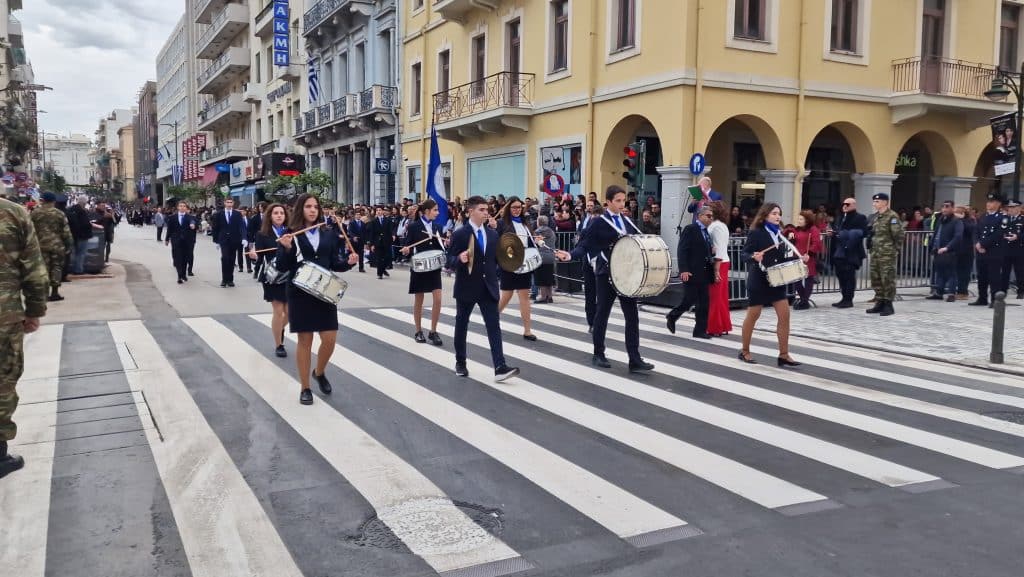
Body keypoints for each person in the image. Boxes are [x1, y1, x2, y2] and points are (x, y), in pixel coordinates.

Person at [558, 185, 655, 373]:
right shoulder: (599, 222)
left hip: (626, 276)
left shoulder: (628, 222)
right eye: (617, 201)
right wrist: (570, 255)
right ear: (608, 202)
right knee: (602, 312)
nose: (621, 204)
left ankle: (634, 358)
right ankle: (598, 353)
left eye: (623, 200)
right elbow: (584, 245)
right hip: (606, 274)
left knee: (632, 316)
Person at [276, 194, 358, 405]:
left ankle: (319, 371)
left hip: (324, 293)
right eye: (308, 206)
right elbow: (282, 267)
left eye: (315, 207)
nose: (312, 210)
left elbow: (334, 263)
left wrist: (349, 262)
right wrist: (285, 248)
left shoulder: (328, 233)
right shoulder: (290, 234)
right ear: (300, 209)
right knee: (305, 341)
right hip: (299, 293)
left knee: (329, 339)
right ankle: (305, 387)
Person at [0, 197, 49, 479]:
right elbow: (33, 269)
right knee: (3, 379)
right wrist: (34, 310)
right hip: (4, 315)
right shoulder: (14, 213)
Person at [446, 196, 520, 381]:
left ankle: (500, 366)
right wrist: (459, 259)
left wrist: (509, 262)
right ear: (470, 211)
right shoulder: (460, 234)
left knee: (494, 326)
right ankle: (461, 362)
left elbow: (496, 260)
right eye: (481, 209)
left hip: (489, 287)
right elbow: (449, 261)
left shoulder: (493, 234)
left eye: (487, 209)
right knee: (462, 324)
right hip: (467, 286)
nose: (486, 213)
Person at [737, 203, 807, 366]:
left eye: (779, 214)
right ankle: (744, 351)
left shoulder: (780, 234)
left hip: (776, 280)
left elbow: (781, 259)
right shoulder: (756, 233)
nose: (778, 216)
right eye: (774, 213)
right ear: (765, 215)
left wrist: (799, 259)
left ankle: (783, 355)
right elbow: (744, 254)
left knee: (785, 316)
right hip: (759, 279)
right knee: (753, 315)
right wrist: (754, 257)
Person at [247, 203, 290, 357]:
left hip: (289, 275)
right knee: (279, 312)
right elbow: (259, 256)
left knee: (289, 313)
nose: (279, 215)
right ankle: (279, 344)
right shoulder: (262, 234)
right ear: (269, 216)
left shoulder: (291, 232)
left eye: (282, 213)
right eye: (275, 213)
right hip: (272, 276)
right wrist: (254, 257)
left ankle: (279, 328)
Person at [666, 205, 715, 338]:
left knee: (704, 302)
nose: (711, 219)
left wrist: (711, 250)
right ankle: (672, 316)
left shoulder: (706, 232)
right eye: (708, 216)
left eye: (712, 216)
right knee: (689, 299)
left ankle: (700, 330)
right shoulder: (691, 229)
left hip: (704, 271)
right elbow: (683, 250)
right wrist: (684, 269)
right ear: (700, 216)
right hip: (692, 271)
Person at [401, 199, 445, 346]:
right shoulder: (414, 227)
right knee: (419, 299)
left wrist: (446, 244)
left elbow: (441, 247)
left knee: (438, 299)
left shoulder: (438, 227)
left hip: (434, 267)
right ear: (426, 211)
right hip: (419, 267)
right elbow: (407, 245)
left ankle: (433, 331)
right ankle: (418, 331)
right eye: (435, 210)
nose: (437, 213)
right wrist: (406, 250)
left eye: (437, 210)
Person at [494, 196, 538, 341]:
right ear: (508, 208)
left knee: (524, 296)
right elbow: (496, 241)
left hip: (524, 262)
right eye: (514, 207)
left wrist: (537, 240)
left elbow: (530, 241)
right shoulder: (501, 223)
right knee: (506, 295)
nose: (517, 210)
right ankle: (493, 319)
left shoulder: (526, 223)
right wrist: (492, 227)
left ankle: (527, 330)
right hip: (509, 262)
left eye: (519, 207)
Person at [30, 192, 72, 302]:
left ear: (42, 200)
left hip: (40, 245)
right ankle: (55, 292)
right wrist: (68, 245)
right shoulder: (59, 214)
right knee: (56, 267)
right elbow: (66, 232)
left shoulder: (35, 213)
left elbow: (29, 230)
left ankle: (44, 293)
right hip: (57, 245)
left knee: (43, 269)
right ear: (54, 201)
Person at [865, 193, 904, 316]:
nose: (874, 204)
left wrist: (894, 250)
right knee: (876, 278)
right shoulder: (877, 217)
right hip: (876, 252)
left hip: (887, 253)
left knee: (887, 278)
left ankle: (888, 304)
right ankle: (880, 301)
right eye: (874, 201)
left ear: (885, 202)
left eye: (877, 202)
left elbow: (898, 235)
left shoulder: (892, 216)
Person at [970, 193, 1010, 307]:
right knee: (981, 276)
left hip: (994, 252)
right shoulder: (983, 217)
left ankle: (995, 300)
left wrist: (982, 244)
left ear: (998, 204)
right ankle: (982, 298)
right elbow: (976, 231)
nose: (988, 204)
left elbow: (998, 234)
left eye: (992, 202)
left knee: (994, 277)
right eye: (988, 202)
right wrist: (976, 243)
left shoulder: (1003, 218)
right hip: (980, 252)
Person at [829, 198, 868, 308]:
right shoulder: (841, 217)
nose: (844, 206)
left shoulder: (860, 217)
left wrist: (846, 234)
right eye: (843, 204)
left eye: (847, 204)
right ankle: (844, 297)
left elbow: (864, 232)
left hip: (852, 251)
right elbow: (838, 231)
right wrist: (834, 233)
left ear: (854, 205)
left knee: (849, 275)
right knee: (840, 275)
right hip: (839, 250)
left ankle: (848, 299)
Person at [784, 210, 823, 310]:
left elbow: (816, 242)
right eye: (799, 218)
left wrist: (809, 253)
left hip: (807, 256)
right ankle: (803, 300)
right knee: (797, 279)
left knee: (808, 278)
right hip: (797, 256)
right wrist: (790, 233)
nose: (798, 220)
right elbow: (787, 230)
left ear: (807, 220)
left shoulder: (813, 229)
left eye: (801, 219)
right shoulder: (797, 229)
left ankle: (804, 301)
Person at [926, 200, 964, 302]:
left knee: (951, 273)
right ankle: (939, 292)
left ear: (952, 208)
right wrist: (932, 246)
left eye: (947, 207)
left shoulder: (957, 221)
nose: (944, 209)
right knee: (940, 273)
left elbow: (958, 236)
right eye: (943, 206)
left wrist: (947, 247)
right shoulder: (941, 219)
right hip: (938, 250)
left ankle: (951, 293)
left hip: (950, 251)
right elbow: (936, 234)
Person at [705, 201, 733, 336]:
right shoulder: (721, 225)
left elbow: (719, 248)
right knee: (720, 296)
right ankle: (722, 325)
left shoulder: (715, 226)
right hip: (723, 261)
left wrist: (716, 270)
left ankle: (715, 327)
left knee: (715, 296)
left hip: (719, 262)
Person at [212, 198, 247, 288]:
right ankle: (224, 279)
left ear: (233, 203)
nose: (229, 204)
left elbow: (242, 226)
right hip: (223, 240)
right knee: (225, 258)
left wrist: (244, 238)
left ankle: (230, 279)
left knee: (231, 259)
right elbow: (215, 228)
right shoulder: (219, 214)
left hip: (234, 239)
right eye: (227, 202)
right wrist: (216, 241)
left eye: (231, 202)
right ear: (224, 203)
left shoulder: (237, 214)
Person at [164, 201, 198, 284]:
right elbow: (169, 229)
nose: (182, 207)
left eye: (184, 206)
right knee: (178, 258)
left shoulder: (190, 217)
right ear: (178, 207)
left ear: (186, 208)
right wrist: (167, 239)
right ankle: (179, 275)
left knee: (185, 258)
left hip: (187, 241)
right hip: (176, 241)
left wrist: (193, 225)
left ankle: (183, 274)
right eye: (180, 206)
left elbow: (194, 223)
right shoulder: (172, 217)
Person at [533, 215, 557, 303]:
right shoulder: (551, 231)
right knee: (549, 277)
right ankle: (549, 296)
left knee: (541, 277)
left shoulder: (537, 232)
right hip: (551, 256)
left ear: (538, 222)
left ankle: (543, 296)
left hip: (541, 256)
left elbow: (536, 243)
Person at [1001, 199, 1023, 299]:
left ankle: (1021, 291)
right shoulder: (1005, 218)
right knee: (1005, 271)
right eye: (1009, 207)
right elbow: (1001, 230)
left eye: (1013, 207)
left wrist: (1017, 237)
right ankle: (1003, 290)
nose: (1010, 209)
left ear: (1019, 208)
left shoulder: (1022, 219)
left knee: (1020, 271)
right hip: (1006, 248)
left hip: (1019, 249)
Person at [368, 205, 395, 279]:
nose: (379, 212)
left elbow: (391, 229)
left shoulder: (388, 220)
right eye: (377, 210)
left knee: (387, 258)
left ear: (383, 211)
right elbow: (372, 233)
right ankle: (379, 274)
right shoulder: (373, 221)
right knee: (379, 258)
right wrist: (372, 244)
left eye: (380, 210)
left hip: (387, 241)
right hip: (377, 242)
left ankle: (383, 269)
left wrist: (393, 235)